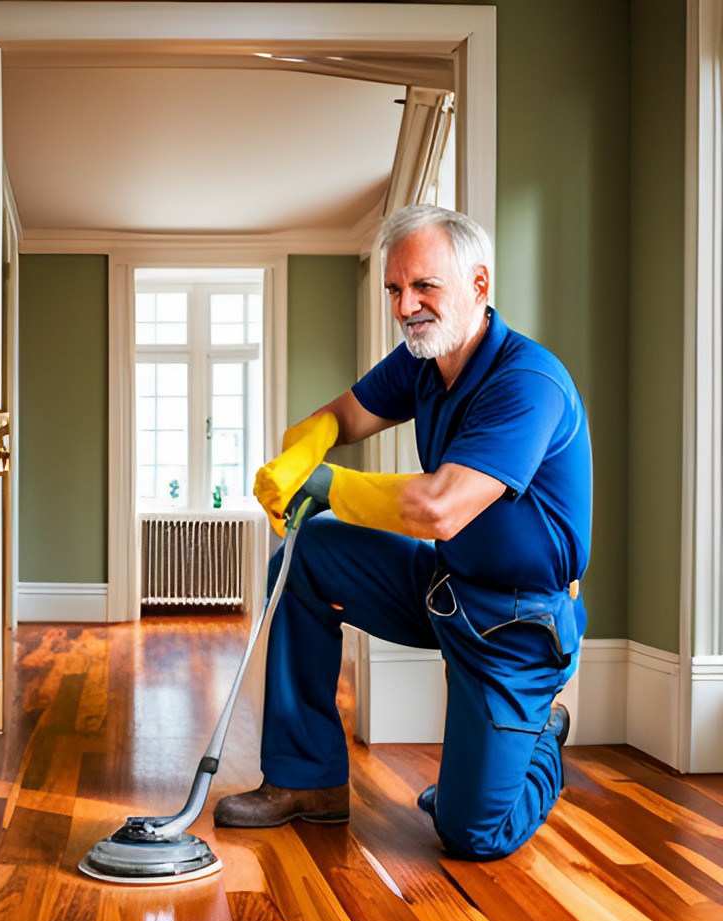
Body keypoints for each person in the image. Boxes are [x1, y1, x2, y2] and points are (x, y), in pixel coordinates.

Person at [213, 204, 592, 861]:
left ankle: (542, 737)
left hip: (515, 623)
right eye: (395, 289)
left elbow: (441, 507)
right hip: (445, 585)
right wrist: (300, 451)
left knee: (472, 833)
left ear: (479, 285)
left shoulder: (528, 383)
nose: (406, 305)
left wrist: (325, 484)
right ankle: (307, 781)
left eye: (424, 287)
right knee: (305, 556)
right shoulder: (425, 361)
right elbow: (344, 415)